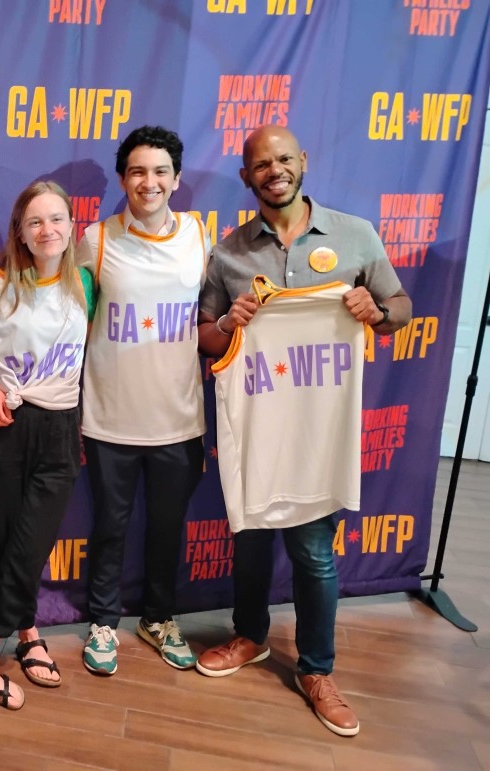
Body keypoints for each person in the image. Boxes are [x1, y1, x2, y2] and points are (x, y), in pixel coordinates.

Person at [196, 124, 412, 737]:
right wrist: (230, 324)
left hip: (318, 429)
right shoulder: (229, 252)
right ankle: (250, 637)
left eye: (283, 159)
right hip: (258, 428)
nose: (274, 170)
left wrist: (378, 313)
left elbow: (401, 306)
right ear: (246, 176)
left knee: (315, 555)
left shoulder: (355, 235)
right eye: (260, 163)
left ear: (302, 162)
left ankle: (317, 669)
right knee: (251, 541)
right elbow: (206, 337)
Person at [77, 126, 210, 676]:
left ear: (176, 180)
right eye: (137, 171)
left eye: (159, 172)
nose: (148, 182)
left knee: (167, 528)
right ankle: (103, 621)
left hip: (179, 420)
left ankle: (158, 619)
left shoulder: (200, 237)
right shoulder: (96, 239)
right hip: (110, 418)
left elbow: (213, 318)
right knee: (109, 527)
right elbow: (64, 316)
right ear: (123, 179)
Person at [0, 180, 93, 709]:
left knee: (31, 543)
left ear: (70, 226)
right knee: (7, 541)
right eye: (35, 221)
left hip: (60, 427)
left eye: (57, 218)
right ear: (20, 230)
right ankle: (29, 630)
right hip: (4, 422)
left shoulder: (85, 280)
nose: (47, 230)